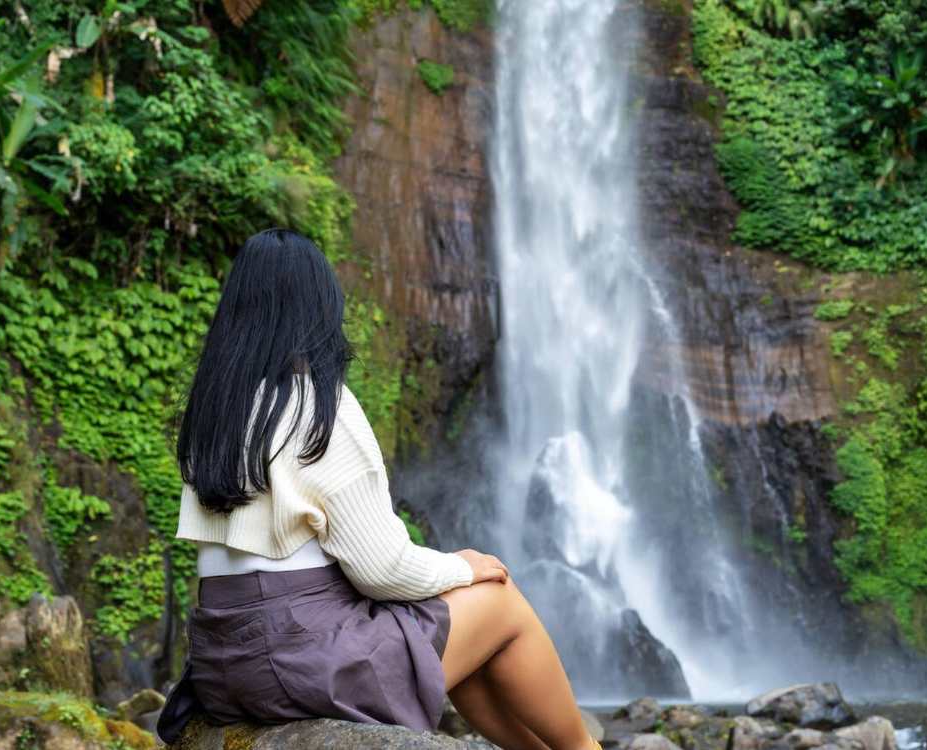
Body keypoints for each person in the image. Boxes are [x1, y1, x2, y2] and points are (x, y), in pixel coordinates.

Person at [156, 228, 601, 750]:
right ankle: (584, 748)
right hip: (302, 658)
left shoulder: (215, 411)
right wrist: (464, 567)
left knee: (452, 635)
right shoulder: (318, 405)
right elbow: (382, 570)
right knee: (499, 602)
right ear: (321, 309)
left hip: (223, 665)